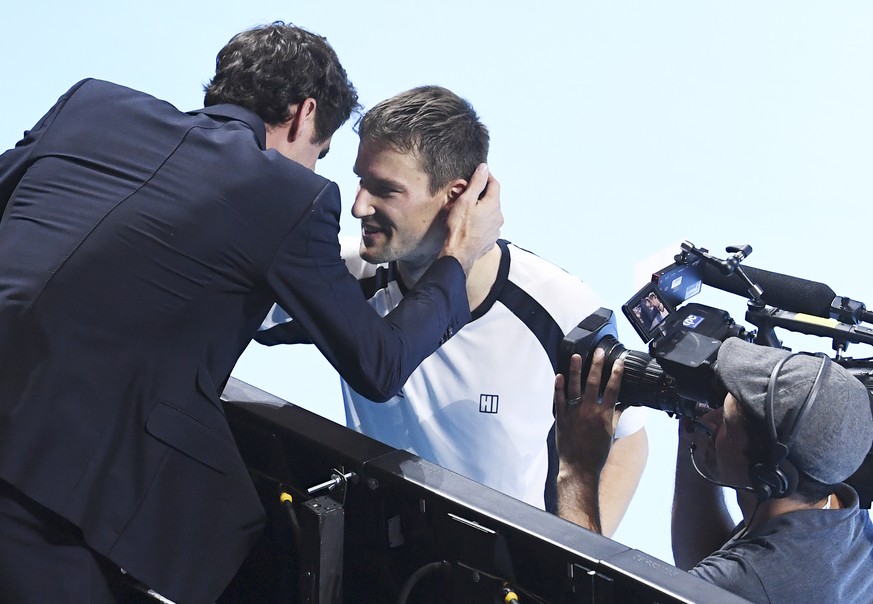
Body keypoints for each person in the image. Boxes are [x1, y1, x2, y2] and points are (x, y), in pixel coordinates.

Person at [0, 23, 502, 603]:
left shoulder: (92, 104)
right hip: (44, 494)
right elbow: (380, 364)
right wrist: (456, 258)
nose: (318, 174)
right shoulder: (287, 193)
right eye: (322, 152)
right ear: (303, 114)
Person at [258, 85, 648, 533]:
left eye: (384, 190)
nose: (357, 205)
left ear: (457, 197)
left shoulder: (564, 314)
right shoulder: (340, 276)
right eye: (361, 179)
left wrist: (574, 563)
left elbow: (628, 440)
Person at [555, 338, 873, 602]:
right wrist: (692, 433)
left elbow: (583, 594)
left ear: (769, 478)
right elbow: (701, 561)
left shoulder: (759, 579)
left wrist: (578, 467)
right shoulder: (840, 508)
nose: (710, 419)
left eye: (725, 424)